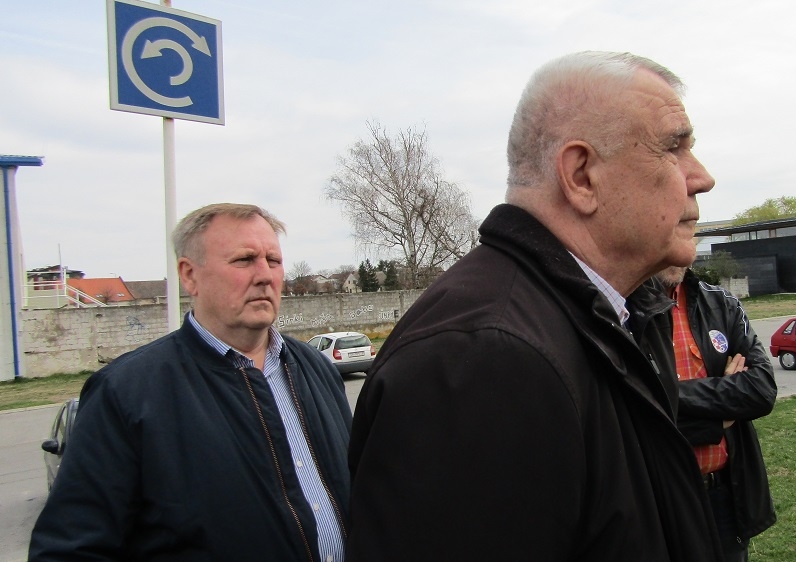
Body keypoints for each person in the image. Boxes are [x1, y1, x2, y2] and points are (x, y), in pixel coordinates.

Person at [347, 51, 723, 560]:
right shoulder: (485, 359)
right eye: (673, 148)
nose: (702, 177)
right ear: (582, 175)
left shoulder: (611, 314)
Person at [29, 203, 353, 562]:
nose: (265, 275)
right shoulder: (125, 393)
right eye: (245, 260)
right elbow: (70, 549)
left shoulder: (315, 367)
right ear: (189, 275)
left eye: (273, 260)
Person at [658, 266, 778, 561]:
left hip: (722, 496)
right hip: (660, 499)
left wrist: (668, 395)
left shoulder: (721, 304)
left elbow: (761, 389)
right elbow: (631, 412)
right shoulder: (623, 309)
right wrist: (719, 413)